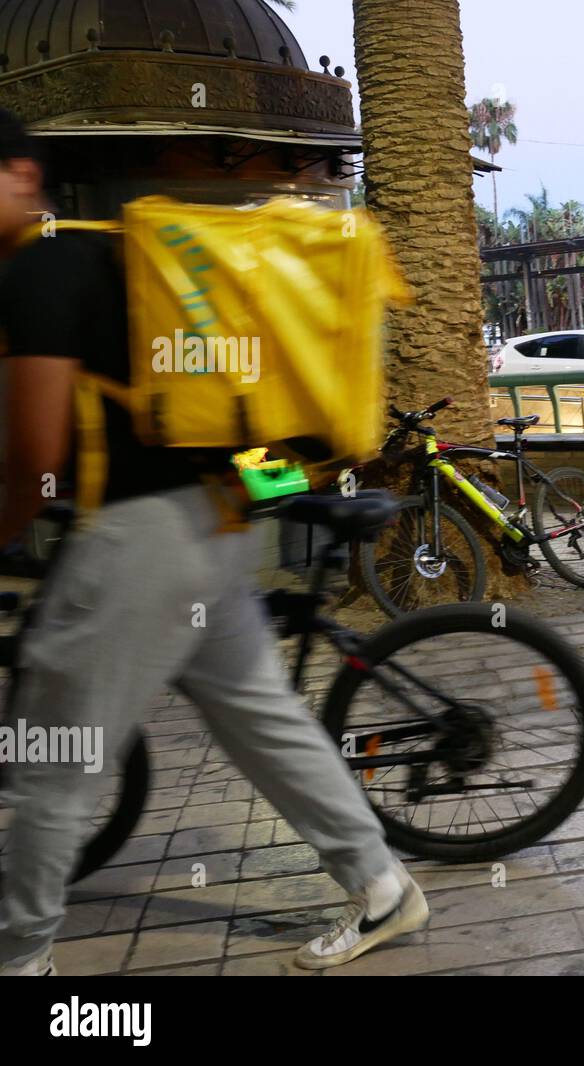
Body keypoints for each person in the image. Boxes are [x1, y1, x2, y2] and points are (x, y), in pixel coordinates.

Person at [0, 110, 427, 976]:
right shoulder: (107, 251)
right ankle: (382, 885)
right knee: (258, 715)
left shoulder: (40, 269)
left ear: (19, 175)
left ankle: (21, 961)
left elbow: (36, 459)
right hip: (215, 521)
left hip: (140, 542)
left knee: (53, 762)